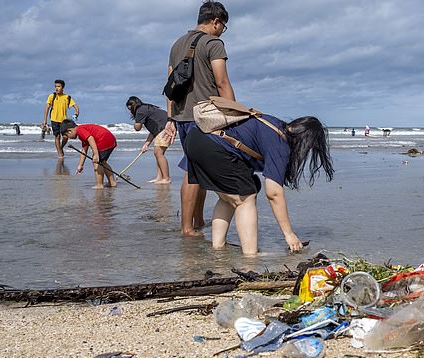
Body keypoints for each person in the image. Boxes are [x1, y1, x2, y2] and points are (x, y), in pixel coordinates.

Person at [183, 114, 334, 255]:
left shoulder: (273, 124)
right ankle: (250, 256)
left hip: (196, 139)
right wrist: (289, 234)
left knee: (229, 198)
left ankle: (218, 248)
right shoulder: (281, 143)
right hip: (213, 145)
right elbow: (274, 193)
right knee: (245, 198)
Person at [163, 1, 235, 236]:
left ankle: (199, 220)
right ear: (215, 21)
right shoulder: (213, 43)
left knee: (198, 168)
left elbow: (169, 87)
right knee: (193, 170)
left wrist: (171, 118)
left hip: (183, 116)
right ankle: (186, 227)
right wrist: (234, 114)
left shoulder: (176, 44)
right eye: (223, 26)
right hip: (205, 116)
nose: (222, 30)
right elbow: (222, 82)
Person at [126, 96, 172, 184]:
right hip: (163, 128)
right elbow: (154, 131)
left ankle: (166, 178)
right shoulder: (146, 108)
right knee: (158, 154)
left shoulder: (140, 110)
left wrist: (136, 121)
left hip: (165, 129)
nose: (130, 110)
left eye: (130, 108)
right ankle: (159, 177)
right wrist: (146, 144)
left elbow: (137, 128)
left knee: (158, 153)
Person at [60, 119, 117, 189]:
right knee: (103, 162)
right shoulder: (82, 133)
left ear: (70, 131)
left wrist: (96, 154)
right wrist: (80, 165)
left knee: (97, 162)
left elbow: (90, 138)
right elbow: (84, 150)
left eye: (68, 136)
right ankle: (112, 182)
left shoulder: (79, 130)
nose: (69, 138)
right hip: (110, 139)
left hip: (103, 139)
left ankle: (99, 185)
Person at [42, 79, 79, 159]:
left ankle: (61, 148)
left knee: (65, 137)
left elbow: (76, 107)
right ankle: (59, 154)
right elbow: (47, 108)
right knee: (57, 137)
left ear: (63, 88)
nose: (56, 88)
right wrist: (44, 120)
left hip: (64, 121)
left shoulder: (67, 97)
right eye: (55, 86)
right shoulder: (52, 96)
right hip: (54, 119)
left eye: (58, 86)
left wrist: (77, 113)